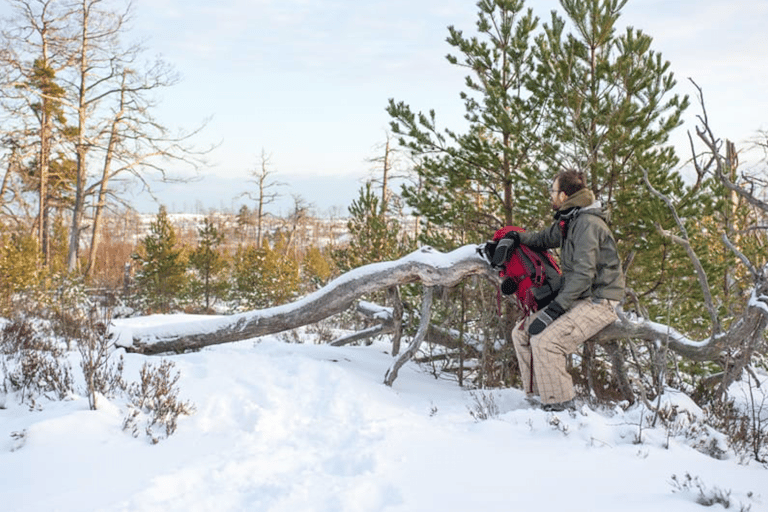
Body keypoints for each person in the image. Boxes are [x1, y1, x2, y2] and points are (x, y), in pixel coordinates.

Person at [504, 170, 625, 411]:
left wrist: (555, 310)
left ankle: (560, 408)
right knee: (522, 334)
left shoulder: (587, 224)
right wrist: (516, 238)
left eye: (553, 190)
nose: (550, 195)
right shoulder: (571, 219)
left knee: (547, 341)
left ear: (564, 194)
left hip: (599, 301)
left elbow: (583, 275)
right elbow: (544, 238)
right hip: (580, 296)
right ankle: (538, 397)